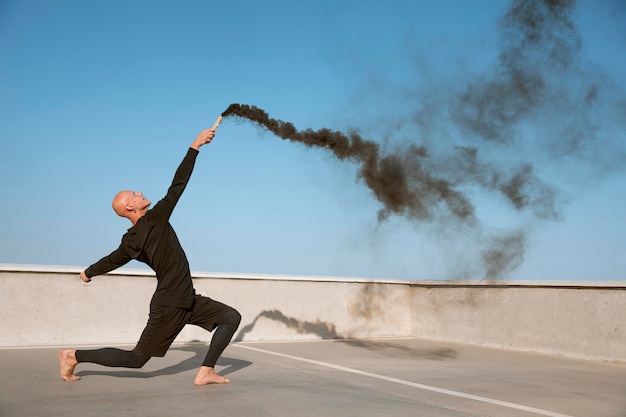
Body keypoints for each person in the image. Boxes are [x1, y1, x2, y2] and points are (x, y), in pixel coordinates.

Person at [59, 127, 241, 385]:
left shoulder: (130, 242)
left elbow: (112, 260)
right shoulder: (155, 219)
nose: (141, 193)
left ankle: (206, 371)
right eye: (135, 194)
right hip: (169, 304)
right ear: (130, 207)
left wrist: (88, 273)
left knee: (230, 317)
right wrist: (194, 147)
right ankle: (73, 355)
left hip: (186, 299)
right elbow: (178, 185)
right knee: (137, 359)